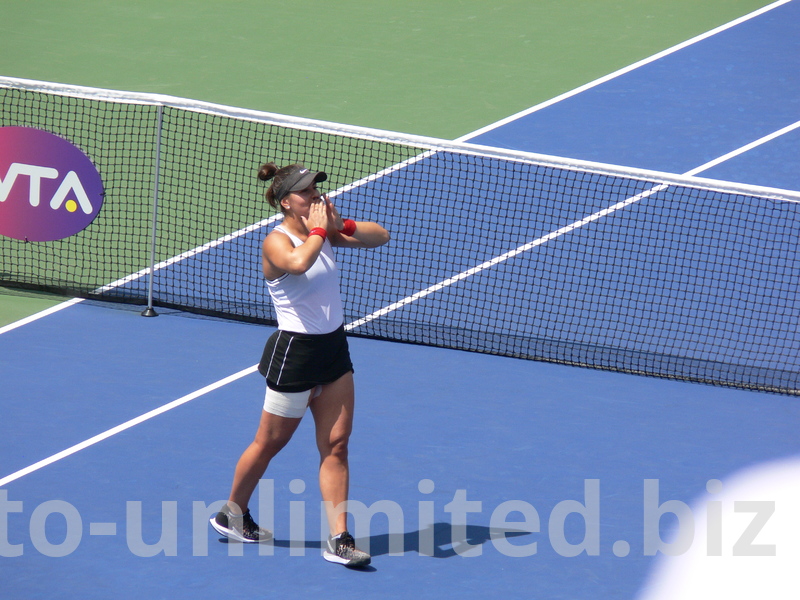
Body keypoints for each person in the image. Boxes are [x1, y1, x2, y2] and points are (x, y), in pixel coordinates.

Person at [210, 162, 390, 568]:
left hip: (334, 353)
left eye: (315, 190)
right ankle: (232, 512)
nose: (315, 196)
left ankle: (340, 539)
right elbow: (297, 263)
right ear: (286, 201)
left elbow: (380, 236)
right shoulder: (277, 241)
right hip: (295, 356)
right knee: (269, 443)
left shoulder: (322, 233)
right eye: (306, 191)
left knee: (337, 445)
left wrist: (341, 225)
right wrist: (322, 231)